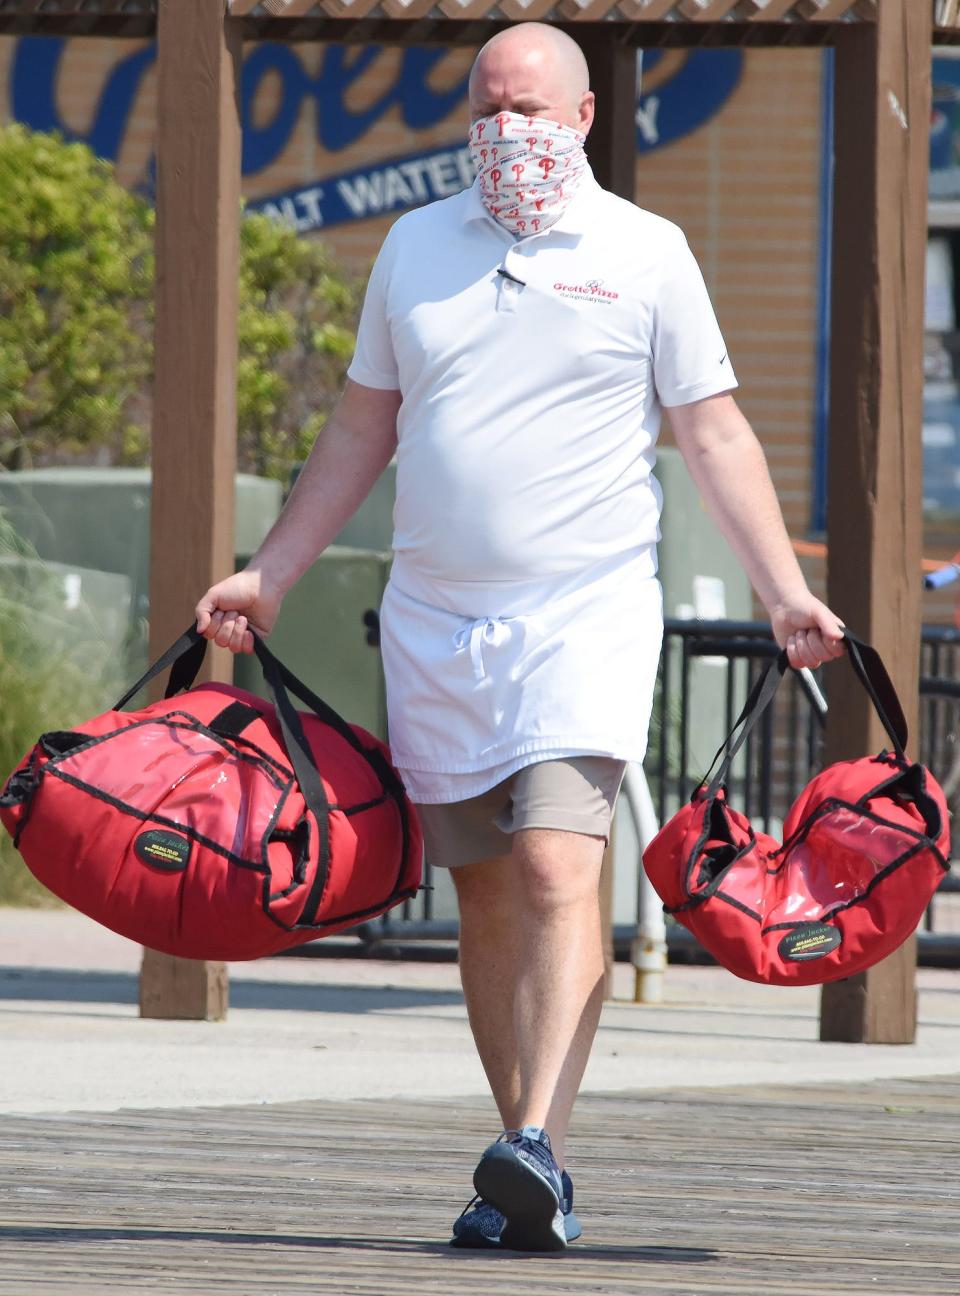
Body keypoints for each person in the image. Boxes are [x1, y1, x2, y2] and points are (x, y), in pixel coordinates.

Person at [195, 23, 845, 1253]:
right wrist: (269, 571)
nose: (511, 133)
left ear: (586, 116)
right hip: (438, 621)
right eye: (491, 109)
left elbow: (713, 434)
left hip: (586, 608)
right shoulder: (414, 245)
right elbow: (358, 432)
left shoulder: (647, 250)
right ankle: (520, 1162)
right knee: (486, 892)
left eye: (534, 109)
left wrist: (781, 592)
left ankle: (537, 1138)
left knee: (557, 867)